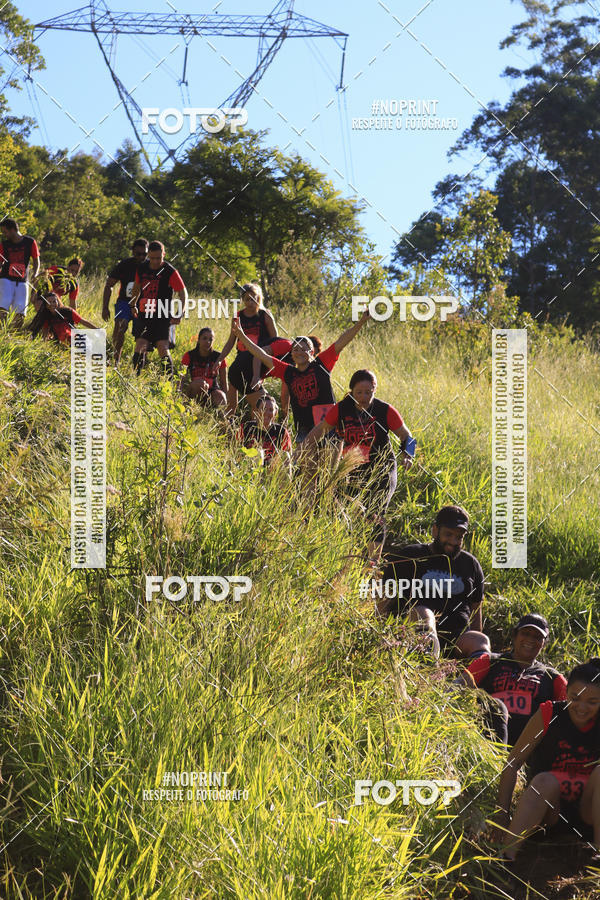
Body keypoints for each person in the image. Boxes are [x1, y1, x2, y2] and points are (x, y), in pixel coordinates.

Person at [493, 658, 600, 862]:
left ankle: (598, 855)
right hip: (549, 812)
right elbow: (513, 763)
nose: (582, 707)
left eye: (592, 702)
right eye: (575, 698)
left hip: (589, 814)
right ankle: (505, 857)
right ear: (566, 692)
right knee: (545, 780)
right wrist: (502, 813)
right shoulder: (550, 713)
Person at [304, 369, 414, 554]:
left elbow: (406, 435)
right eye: (359, 393)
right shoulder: (341, 408)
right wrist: (306, 448)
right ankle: (346, 557)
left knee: (375, 512)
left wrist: (407, 455)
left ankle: (372, 563)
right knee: (343, 509)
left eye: (368, 392)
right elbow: (320, 430)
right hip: (352, 467)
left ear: (374, 390)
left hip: (382, 467)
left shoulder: (384, 410)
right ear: (351, 391)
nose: (363, 397)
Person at [231, 311, 371, 443]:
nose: (299, 352)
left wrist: (361, 322)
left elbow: (341, 342)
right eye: (296, 349)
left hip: (327, 424)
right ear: (291, 354)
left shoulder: (321, 364)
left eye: (304, 349)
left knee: (328, 463)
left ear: (311, 352)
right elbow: (261, 354)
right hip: (304, 429)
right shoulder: (287, 371)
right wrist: (241, 335)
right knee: (307, 466)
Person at [376, 505, 490, 659]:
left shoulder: (471, 565)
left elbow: (476, 613)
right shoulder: (410, 556)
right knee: (423, 613)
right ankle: (429, 665)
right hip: (411, 637)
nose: (453, 541)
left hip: (456, 642)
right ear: (435, 530)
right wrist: (379, 633)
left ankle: (471, 679)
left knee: (480, 640)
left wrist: (476, 635)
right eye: (448, 534)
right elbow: (384, 598)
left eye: (459, 537)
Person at [458, 613, 567, 746]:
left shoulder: (553, 677)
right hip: (485, 738)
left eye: (537, 637)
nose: (530, 640)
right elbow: (459, 688)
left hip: (528, 746)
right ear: (514, 636)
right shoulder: (490, 661)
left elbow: (570, 713)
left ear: (544, 644)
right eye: (525, 633)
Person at [130, 240, 187, 379]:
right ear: (148, 254)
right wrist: (133, 305)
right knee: (140, 346)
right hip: (144, 314)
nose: (155, 261)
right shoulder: (142, 268)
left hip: (163, 316)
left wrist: (181, 312)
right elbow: (136, 288)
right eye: (152, 258)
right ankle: (135, 380)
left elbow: (183, 293)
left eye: (158, 258)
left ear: (164, 254)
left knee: (162, 347)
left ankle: (168, 382)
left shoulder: (170, 271)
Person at [218, 283, 277, 415]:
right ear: (243, 300)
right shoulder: (237, 316)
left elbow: (275, 341)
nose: (250, 302)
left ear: (259, 298)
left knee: (256, 394)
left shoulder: (265, 315)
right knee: (233, 382)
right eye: (247, 299)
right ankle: (230, 420)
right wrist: (219, 359)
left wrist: (274, 366)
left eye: (253, 298)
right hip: (241, 358)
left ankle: (258, 421)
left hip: (259, 358)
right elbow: (230, 342)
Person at [102, 238, 148, 364]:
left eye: (144, 254)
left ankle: (140, 363)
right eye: (138, 254)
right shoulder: (124, 265)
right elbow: (109, 285)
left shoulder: (151, 266)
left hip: (143, 304)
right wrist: (105, 307)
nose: (141, 257)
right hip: (124, 302)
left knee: (143, 333)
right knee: (120, 326)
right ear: (133, 252)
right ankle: (114, 360)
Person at [0, 217, 40, 328]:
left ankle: (13, 333)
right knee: (4, 303)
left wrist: (35, 274)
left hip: (23, 280)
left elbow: (36, 260)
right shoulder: (4, 244)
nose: (4, 234)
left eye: (5, 232)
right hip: (5, 278)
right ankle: (1, 330)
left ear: (13, 229)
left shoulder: (30, 242)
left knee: (21, 309)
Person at [238, 394, 292, 471]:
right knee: (258, 453)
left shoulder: (281, 432)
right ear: (256, 411)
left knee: (285, 455)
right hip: (250, 468)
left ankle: (284, 483)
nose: (266, 413)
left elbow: (289, 456)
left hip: (272, 470)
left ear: (275, 413)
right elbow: (236, 451)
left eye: (271, 410)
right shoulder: (246, 427)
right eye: (263, 408)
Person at [179, 327, 227, 407]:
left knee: (220, 396)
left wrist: (225, 398)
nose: (207, 342)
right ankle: (193, 407)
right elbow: (181, 379)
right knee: (201, 384)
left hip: (213, 390)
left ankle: (223, 417)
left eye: (210, 339)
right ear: (198, 339)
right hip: (195, 389)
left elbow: (224, 382)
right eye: (204, 338)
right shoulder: (189, 355)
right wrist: (178, 395)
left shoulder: (219, 357)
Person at [27, 292, 95, 344]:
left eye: (54, 301)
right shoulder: (46, 316)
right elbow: (45, 333)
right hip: (59, 343)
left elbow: (83, 322)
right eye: (49, 302)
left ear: (58, 302)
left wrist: (98, 330)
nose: (52, 304)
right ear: (46, 305)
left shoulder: (68, 311)